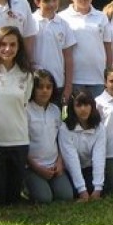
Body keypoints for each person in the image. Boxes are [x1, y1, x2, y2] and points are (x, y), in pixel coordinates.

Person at [0, 27, 33, 205]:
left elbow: (25, 102)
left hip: (18, 140)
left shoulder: (26, 74)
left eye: (13, 44)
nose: (8, 49)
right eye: (3, 44)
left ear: (19, 47)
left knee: (12, 198)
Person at [25, 70, 74, 203]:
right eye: (40, 87)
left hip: (54, 164)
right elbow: (22, 146)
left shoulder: (55, 110)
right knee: (44, 199)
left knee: (67, 196)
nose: (45, 91)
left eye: (48, 87)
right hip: (33, 167)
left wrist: (59, 162)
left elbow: (60, 140)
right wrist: (37, 168)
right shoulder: (26, 110)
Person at [60, 0, 112, 96]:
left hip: (98, 78)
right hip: (74, 78)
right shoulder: (62, 18)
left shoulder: (101, 17)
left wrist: (108, 75)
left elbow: (108, 48)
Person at [31, 0, 76, 102]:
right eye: (46, 0)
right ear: (37, 2)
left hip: (58, 83)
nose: (51, 4)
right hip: (35, 83)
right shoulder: (30, 22)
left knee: (56, 118)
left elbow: (68, 58)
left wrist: (68, 86)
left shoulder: (64, 25)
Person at [59, 90, 107, 200]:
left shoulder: (99, 128)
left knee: (101, 187)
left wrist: (98, 189)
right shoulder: (65, 128)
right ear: (72, 107)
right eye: (78, 105)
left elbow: (98, 157)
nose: (83, 109)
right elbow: (71, 160)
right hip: (70, 170)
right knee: (69, 193)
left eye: (86, 104)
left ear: (92, 106)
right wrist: (81, 190)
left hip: (89, 167)